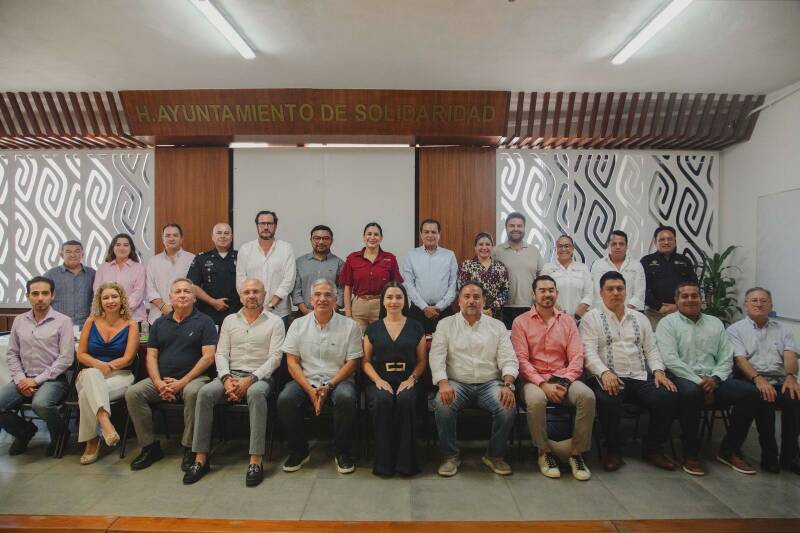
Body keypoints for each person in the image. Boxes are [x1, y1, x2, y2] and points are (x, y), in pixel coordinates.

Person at [185, 278, 285, 487]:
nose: (251, 295)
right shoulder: (229, 320)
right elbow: (221, 353)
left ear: (264, 295)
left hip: (260, 377)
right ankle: (201, 458)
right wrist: (225, 379)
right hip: (230, 375)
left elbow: (275, 358)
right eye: (247, 292)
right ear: (240, 297)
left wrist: (250, 379)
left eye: (256, 291)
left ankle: (255, 461)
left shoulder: (275, 322)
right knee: (205, 393)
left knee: (255, 393)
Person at [656, 282, 758, 476]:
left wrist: (716, 378)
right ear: (676, 300)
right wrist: (700, 382)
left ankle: (729, 449)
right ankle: (691, 453)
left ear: (701, 299)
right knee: (691, 394)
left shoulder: (715, 323)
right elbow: (670, 360)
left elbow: (726, 356)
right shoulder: (667, 324)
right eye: (684, 296)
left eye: (694, 295)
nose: (690, 299)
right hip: (683, 376)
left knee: (750, 393)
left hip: (715, 378)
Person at [581, 271, 678, 472]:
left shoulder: (640, 318)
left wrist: (659, 371)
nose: (616, 293)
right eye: (610, 289)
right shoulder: (591, 318)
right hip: (608, 376)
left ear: (626, 291)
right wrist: (604, 373)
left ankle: (653, 449)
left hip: (639, 375)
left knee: (666, 396)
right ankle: (613, 451)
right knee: (608, 399)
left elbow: (651, 349)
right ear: (601, 292)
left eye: (620, 288)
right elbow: (588, 352)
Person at [124, 278, 217, 472]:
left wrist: (182, 382)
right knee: (133, 393)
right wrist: (158, 383)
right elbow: (151, 356)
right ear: (170, 297)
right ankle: (149, 447)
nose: (182, 295)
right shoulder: (159, 323)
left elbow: (209, 357)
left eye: (187, 291)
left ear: (194, 297)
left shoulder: (205, 322)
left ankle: (190, 448)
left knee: (193, 392)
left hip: (194, 379)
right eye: (178, 292)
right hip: (163, 379)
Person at [430, 282, 519, 477]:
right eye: (467, 296)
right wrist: (443, 383)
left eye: (477, 297)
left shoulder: (497, 326)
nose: (472, 301)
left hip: (490, 383)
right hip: (457, 383)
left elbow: (508, 358)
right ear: (459, 301)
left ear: (484, 301)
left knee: (507, 405)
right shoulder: (445, 325)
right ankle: (450, 456)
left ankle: (494, 455)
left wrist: (508, 385)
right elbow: (436, 357)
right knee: (442, 404)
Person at [511, 275, 595, 481]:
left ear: (557, 293)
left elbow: (577, 357)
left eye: (551, 290)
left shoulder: (568, 321)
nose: (547, 294)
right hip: (533, 379)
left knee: (587, 396)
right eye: (542, 290)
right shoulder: (520, 322)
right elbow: (521, 360)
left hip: (563, 378)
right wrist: (543, 384)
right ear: (533, 295)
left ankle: (576, 453)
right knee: (536, 400)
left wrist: (565, 382)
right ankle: (544, 452)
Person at [278, 278, 363, 474]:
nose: (322, 299)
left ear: (335, 299)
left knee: (346, 397)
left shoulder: (350, 326)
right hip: (306, 379)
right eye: (317, 295)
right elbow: (292, 362)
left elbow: (352, 363)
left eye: (327, 295)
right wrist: (310, 390)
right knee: (286, 399)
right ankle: (299, 451)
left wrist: (330, 385)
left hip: (339, 379)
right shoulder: (298, 325)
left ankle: (342, 452)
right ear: (311, 299)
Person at [728, 287, 800, 474]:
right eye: (754, 300)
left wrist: (791, 377)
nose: (759, 304)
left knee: (794, 398)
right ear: (745, 305)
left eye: (763, 300)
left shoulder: (783, 329)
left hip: (780, 379)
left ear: (771, 305)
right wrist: (758, 379)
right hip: (750, 379)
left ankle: (790, 455)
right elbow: (740, 360)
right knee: (764, 399)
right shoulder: (735, 330)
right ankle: (769, 456)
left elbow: (790, 355)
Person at [0, 277, 73, 456]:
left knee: (40, 404)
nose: (40, 298)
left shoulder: (63, 321)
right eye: (35, 293)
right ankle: (24, 432)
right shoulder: (19, 320)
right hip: (23, 378)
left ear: (52, 295)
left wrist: (35, 381)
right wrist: (21, 380)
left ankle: (60, 434)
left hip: (53, 380)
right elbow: (12, 354)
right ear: (28, 296)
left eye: (45, 293)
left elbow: (65, 359)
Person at [362, 282, 426, 476]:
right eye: (389, 297)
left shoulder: (416, 327)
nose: (394, 301)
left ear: (405, 300)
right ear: (383, 301)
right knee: (383, 401)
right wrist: (378, 380)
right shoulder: (373, 329)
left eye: (398, 297)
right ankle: (384, 464)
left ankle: (406, 464)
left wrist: (412, 379)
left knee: (406, 400)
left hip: (408, 380)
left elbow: (422, 361)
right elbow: (366, 362)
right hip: (380, 380)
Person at [75, 282, 138, 465]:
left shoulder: (131, 325)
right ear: (100, 301)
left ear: (122, 299)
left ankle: (92, 442)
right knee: (91, 375)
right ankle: (105, 422)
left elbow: (128, 358)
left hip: (120, 375)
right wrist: (97, 365)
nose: (110, 301)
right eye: (106, 298)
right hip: (92, 374)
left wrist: (106, 366)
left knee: (85, 395)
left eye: (114, 296)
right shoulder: (91, 321)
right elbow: (81, 354)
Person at [236, 211, 296, 327]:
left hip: (279, 313)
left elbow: (289, 280)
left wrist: (270, 305)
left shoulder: (286, 249)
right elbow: (241, 281)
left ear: (275, 226)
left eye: (270, 223)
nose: (266, 227)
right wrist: (255, 305)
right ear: (257, 226)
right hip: (251, 311)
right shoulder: (245, 249)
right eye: (262, 224)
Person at [339, 222, 403, 332]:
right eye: (369, 234)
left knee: (380, 339)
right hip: (358, 307)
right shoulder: (353, 258)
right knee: (357, 339)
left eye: (376, 234)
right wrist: (348, 314)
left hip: (381, 306)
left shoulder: (390, 258)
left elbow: (396, 287)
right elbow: (347, 287)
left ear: (381, 238)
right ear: (364, 237)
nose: (372, 237)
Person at [402, 219, 457, 334]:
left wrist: (439, 307)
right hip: (418, 311)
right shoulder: (411, 255)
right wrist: (424, 307)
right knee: (417, 343)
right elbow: (409, 285)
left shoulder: (449, 255)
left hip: (443, 311)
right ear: (421, 234)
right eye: (426, 232)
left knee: (446, 344)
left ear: (439, 234)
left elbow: (453, 285)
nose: (430, 235)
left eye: (433, 232)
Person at [493, 212, 544, 329]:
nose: (516, 229)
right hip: (502, 309)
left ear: (524, 228)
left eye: (519, 226)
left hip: (530, 307)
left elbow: (542, 279)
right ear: (506, 228)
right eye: (512, 225)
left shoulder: (534, 251)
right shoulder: (496, 252)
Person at [641, 225, 697, 328]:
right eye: (662, 239)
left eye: (670, 239)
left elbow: (694, 286)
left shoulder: (685, 261)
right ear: (655, 242)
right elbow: (641, 288)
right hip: (654, 314)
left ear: (675, 241)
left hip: (681, 312)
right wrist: (659, 307)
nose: (666, 242)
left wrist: (677, 306)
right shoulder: (646, 261)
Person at [186, 223, 241, 326]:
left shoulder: (241, 257)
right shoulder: (201, 258)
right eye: (219, 233)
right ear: (212, 236)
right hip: (209, 314)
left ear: (231, 237)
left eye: (226, 233)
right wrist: (213, 302)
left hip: (236, 313)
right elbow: (192, 285)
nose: (223, 236)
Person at [146, 224, 195, 324]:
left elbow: (194, 288)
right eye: (167, 235)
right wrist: (163, 307)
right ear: (163, 239)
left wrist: (177, 308)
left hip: (186, 316)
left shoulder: (192, 259)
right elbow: (150, 289)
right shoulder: (153, 261)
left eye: (175, 235)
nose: (171, 238)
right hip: (157, 316)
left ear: (181, 239)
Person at [93, 233, 147, 323]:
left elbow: (138, 294)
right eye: (118, 245)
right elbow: (98, 292)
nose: (122, 248)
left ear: (131, 248)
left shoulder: (139, 268)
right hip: (107, 319)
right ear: (113, 248)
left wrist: (119, 311)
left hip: (134, 318)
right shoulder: (103, 268)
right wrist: (111, 311)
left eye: (126, 245)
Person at [292, 224, 344, 315]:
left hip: (332, 314)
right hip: (304, 314)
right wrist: (306, 312)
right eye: (317, 238)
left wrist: (331, 311)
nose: (321, 242)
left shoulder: (339, 263)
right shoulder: (300, 262)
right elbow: (296, 290)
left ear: (331, 241)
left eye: (325, 238)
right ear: (311, 240)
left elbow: (342, 290)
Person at [457, 232, 509, 319]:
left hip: (494, 313)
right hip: (471, 311)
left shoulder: (501, 267)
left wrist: (492, 308)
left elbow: (505, 291)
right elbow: (462, 290)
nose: (484, 247)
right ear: (475, 247)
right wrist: (480, 309)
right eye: (480, 244)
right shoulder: (466, 265)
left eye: (488, 244)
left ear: (492, 247)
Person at [44, 240, 95, 328]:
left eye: (77, 251)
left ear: (82, 254)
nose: (73, 255)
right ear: (61, 255)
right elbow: (44, 299)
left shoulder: (92, 274)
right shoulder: (51, 274)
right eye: (68, 251)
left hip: (86, 325)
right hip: (57, 325)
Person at [590, 230, 646, 311]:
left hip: (630, 313)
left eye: (621, 244)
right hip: (603, 313)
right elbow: (596, 292)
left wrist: (623, 311)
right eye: (614, 244)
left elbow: (639, 293)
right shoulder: (598, 265)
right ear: (608, 245)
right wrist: (609, 310)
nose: (618, 247)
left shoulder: (636, 266)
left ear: (626, 246)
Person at [541, 235, 593, 321]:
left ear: (572, 249)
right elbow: (544, 294)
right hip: (554, 319)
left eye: (567, 246)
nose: (563, 249)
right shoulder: (547, 268)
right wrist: (561, 315)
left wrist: (576, 316)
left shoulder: (583, 268)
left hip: (580, 320)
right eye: (560, 246)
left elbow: (588, 294)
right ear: (556, 249)